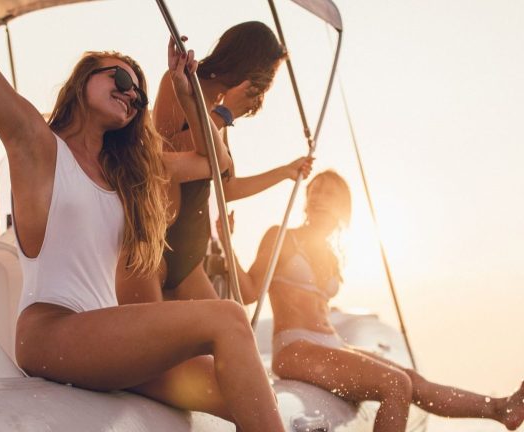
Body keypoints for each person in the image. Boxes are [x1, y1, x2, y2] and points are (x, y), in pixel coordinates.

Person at [0, 1, 285, 430]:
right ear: (84, 79)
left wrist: (183, 89)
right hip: (51, 331)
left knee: (243, 393)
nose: (131, 92)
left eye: (138, 93)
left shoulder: (128, 170)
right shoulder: (37, 145)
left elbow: (215, 163)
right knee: (229, 315)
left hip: (107, 336)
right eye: (120, 77)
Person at [224, 170, 524, 432]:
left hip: (331, 343)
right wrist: (228, 243)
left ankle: (499, 409)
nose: (318, 197)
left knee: (414, 382)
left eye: (328, 193)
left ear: (342, 207)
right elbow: (249, 290)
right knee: (396, 385)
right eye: (314, 191)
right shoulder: (283, 238)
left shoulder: (331, 254)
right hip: (295, 347)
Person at [117, 21, 313, 305]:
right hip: (162, 241)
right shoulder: (180, 84)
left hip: (191, 255)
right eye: (268, 75)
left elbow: (227, 187)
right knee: (170, 343)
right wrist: (225, 113)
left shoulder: (221, 109)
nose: (267, 85)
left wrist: (284, 172)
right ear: (251, 65)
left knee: (228, 336)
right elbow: (169, 152)